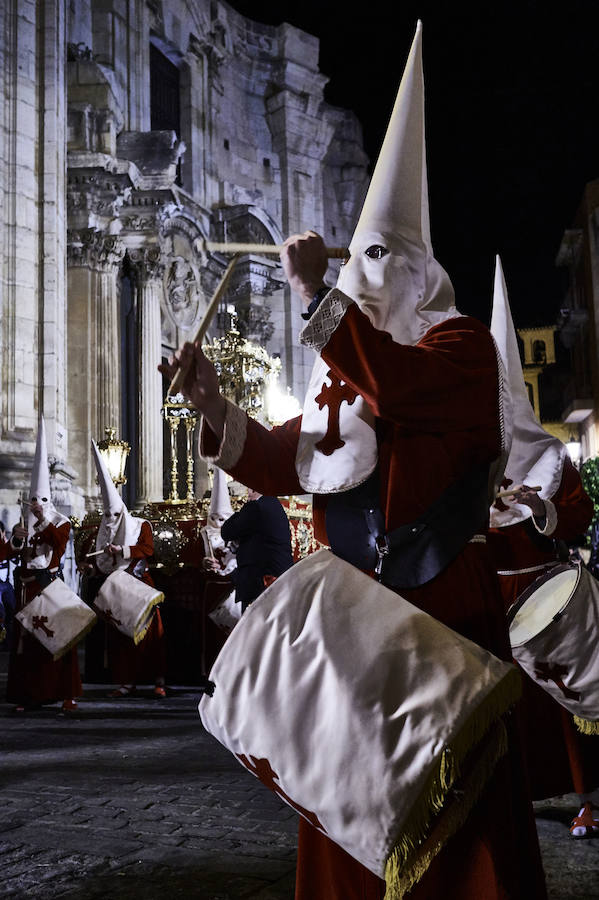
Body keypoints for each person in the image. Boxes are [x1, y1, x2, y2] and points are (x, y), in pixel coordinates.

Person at [160, 22, 547, 900]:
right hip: (352, 617)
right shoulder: (349, 372)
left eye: (379, 261)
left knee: (453, 829)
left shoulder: (453, 350)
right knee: (348, 819)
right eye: (354, 261)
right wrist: (211, 402)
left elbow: (399, 382)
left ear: (419, 272)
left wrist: (316, 300)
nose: (362, 278)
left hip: (435, 605)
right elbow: (285, 457)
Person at [487, 256, 598, 838]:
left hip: (548, 603)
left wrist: (541, 508)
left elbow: (578, 519)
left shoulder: (554, 459)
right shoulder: (475, 469)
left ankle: (590, 799)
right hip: (491, 606)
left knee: (566, 708)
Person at [78, 441, 166, 698]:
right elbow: (97, 564)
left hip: (139, 586)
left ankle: (157, 679)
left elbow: (148, 550)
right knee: (119, 638)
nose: (112, 521)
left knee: (150, 635)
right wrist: (88, 569)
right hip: (115, 590)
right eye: (108, 516)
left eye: (116, 515)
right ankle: (125, 681)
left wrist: (123, 551)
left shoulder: (141, 526)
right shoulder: (100, 532)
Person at [5, 417, 81, 713]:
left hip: (49, 585)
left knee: (59, 637)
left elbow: (59, 545)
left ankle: (66, 693)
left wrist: (44, 518)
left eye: (42, 499)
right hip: (27, 586)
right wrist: (15, 538)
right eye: (33, 499)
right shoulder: (24, 523)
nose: (36, 503)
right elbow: (12, 553)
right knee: (28, 643)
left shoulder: (59, 522)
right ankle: (29, 694)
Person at [221, 488, 294, 611]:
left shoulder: (255, 507)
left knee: (254, 626)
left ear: (253, 489)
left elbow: (227, 532)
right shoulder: (275, 505)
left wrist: (241, 512)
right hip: (280, 578)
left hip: (259, 581)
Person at [200, 466, 238, 578]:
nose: (216, 523)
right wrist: (206, 562)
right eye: (213, 518)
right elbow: (200, 559)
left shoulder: (237, 531)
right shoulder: (204, 532)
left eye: (221, 519)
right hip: (214, 577)